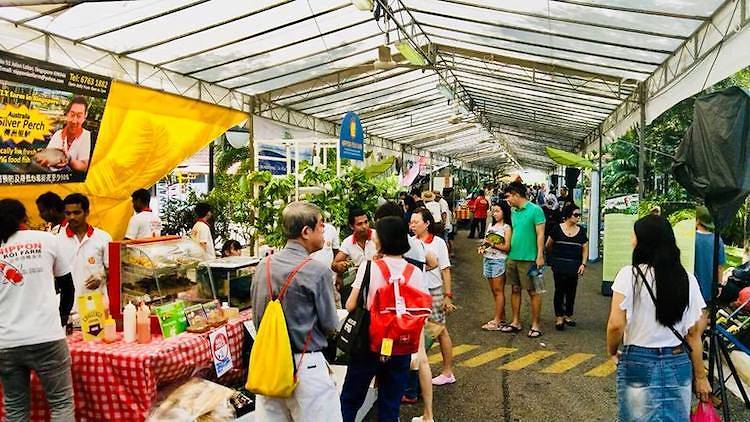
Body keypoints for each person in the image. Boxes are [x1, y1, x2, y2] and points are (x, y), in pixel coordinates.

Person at [606, 215, 710, 421]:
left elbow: (616, 325)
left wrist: (612, 351)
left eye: (634, 235)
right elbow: (693, 333)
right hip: (678, 360)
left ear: (644, 241)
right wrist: (700, 376)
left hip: (638, 358)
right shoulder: (687, 279)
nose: (631, 239)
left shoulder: (628, 275)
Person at [250, 201, 341, 421]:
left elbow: (256, 318)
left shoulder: (264, 265)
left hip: (270, 365)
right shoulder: (317, 271)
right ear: (306, 232)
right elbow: (330, 325)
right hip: (306, 367)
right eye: (321, 225)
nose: (324, 230)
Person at [341, 216, 428, 422]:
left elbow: (350, 305)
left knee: (350, 399)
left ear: (383, 240)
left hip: (369, 342)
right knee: (390, 404)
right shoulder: (414, 271)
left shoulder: (369, 267)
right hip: (401, 343)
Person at [0, 199, 76, 422]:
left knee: (15, 407)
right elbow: (67, 286)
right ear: (25, 217)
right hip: (47, 337)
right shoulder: (47, 240)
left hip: (6, 342)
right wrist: (62, 319)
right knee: (61, 403)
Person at [374, 202, 437, 422]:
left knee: (387, 359)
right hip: (417, 308)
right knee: (422, 360)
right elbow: (432, 262)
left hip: (394, 314)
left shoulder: (390, 245)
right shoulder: (416, 243)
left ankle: (392, 413)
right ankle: (428, 415)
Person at [411, 207, 457, 386]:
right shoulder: (411, 242)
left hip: (435, 291)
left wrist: (448, 295)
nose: (413, 225)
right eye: (411, 222)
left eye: (416, 222)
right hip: (417, 292)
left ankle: (447, 372)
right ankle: (421, 369)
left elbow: (445, 270)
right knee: (423, 331)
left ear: (427, 223)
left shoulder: (438, 243)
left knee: (440, 330)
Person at [501, 182, 546, 338]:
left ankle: (535, 324)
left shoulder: (536, 210)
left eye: (508, 197)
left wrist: (539, 255)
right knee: (514, 289)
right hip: (513, 256)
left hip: (530, 258)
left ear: (516, 194)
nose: (507, 200)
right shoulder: (514, 211)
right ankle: (515, 321)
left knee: (533, 292)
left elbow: (540, 234)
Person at [57, 193, 112, 309]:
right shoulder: (55, 239)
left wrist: (101, 276)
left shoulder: (103, 237)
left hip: (97, 306)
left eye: (76, 213)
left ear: (87, 212)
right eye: (68, 213)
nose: (72, 217)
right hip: (67, 308)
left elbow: (112, 269)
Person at [546, 204, 589, 331]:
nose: (578, 217)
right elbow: (548, 245)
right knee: (559, 289)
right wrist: (553, 258)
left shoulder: (581, 231)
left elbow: (585, 248)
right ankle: (559, 316)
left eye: (579, 215)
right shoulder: (556, 229)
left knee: (571, 290)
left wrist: (583, 263)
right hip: (559, 265)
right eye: (576, 215)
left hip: (574, 265)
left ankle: (567, 314)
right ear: (568, 215)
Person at [480, 202, 512, 331]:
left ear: (504, 212)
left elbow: (507, 247)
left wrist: (492, 244)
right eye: (493, 211)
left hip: (499, 261)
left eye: (498, 211)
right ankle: (501, 317)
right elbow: (486, 242)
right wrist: (483, 247)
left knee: (498, 291)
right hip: (488, 258)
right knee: (494, 291)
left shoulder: (506, 227)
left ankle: (497, 320)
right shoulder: (490, 225)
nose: (495, 213)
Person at [332, 209, 376, 302]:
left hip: (378, 281)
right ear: (351, 226)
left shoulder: (377, 236)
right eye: (359, 224)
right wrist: (340, 267)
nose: (364, 226)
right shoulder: (348, 242)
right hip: (359, 283)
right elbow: (335, 264)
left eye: (366, 222)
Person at [41, 96, 92, 173]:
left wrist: (69, 159)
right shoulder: (58, 134)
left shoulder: (87, 136)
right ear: (67, 114)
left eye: (79, 116)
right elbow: (46, 157)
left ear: (85, 116)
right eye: (72, 115)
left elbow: (84, 167)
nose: (74, 121)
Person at [694, 206, 726, 302]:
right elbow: (720, 267)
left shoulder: (692, 238)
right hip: (710, 288)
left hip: (693, 287)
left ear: (697, 220)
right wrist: (719, 285)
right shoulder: (717, 240)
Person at [310, 221, 341, 307]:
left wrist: (338, 275)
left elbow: (336, 253)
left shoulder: (330, 229)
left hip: (330, 282)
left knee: (335, 309)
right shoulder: (307, 231)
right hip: (311, 282)